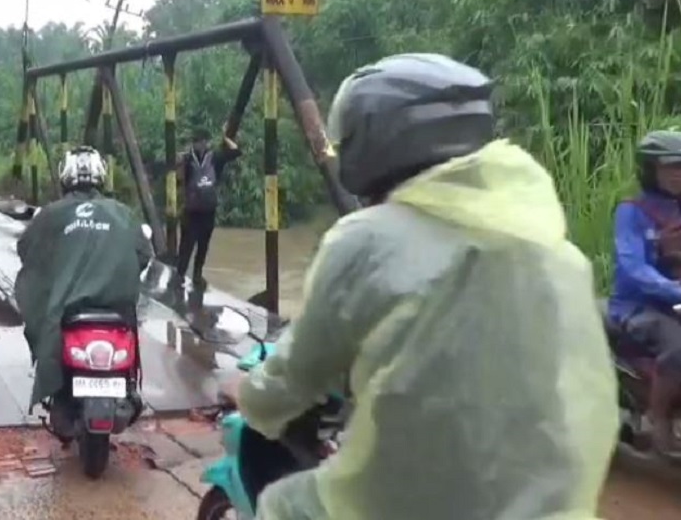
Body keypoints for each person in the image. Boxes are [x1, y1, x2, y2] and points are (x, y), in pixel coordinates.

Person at [229, 54, 618, 520]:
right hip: (553, 503)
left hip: (422, 504)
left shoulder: (367, 238)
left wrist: (248, 393)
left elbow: (298, 372)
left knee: (285, 504)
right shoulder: (547, 241)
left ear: (372, 140)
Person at [13, 145, 153, 422]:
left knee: (44, 320)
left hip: (67, 310)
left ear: (65, 178)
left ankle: (57, 388)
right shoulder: (122, 213)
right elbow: (143, 254)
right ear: (101, 177)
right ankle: (128, 388)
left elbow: (27, 250)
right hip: (114, 309)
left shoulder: (50, 214)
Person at [609, 129, 681, 458]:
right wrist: (674, 290)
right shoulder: (631, 211)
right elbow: (633, 268)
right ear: (651, 170)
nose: (679, 174)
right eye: (671, 167)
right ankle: (659, 420)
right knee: (678, 347)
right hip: (638, 306)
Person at [175, 125, 240, 291]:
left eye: (201, 141)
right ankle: (180, 276)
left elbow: (236, 152)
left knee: (203, 245)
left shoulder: (215, 157)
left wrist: (226, 138)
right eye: (195, 142)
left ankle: (197, 275)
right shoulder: (187, 159)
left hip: (208, 211)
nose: (198, 145)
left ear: (206, 142)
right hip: (191, 211)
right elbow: (179, 179)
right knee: (186, 246)